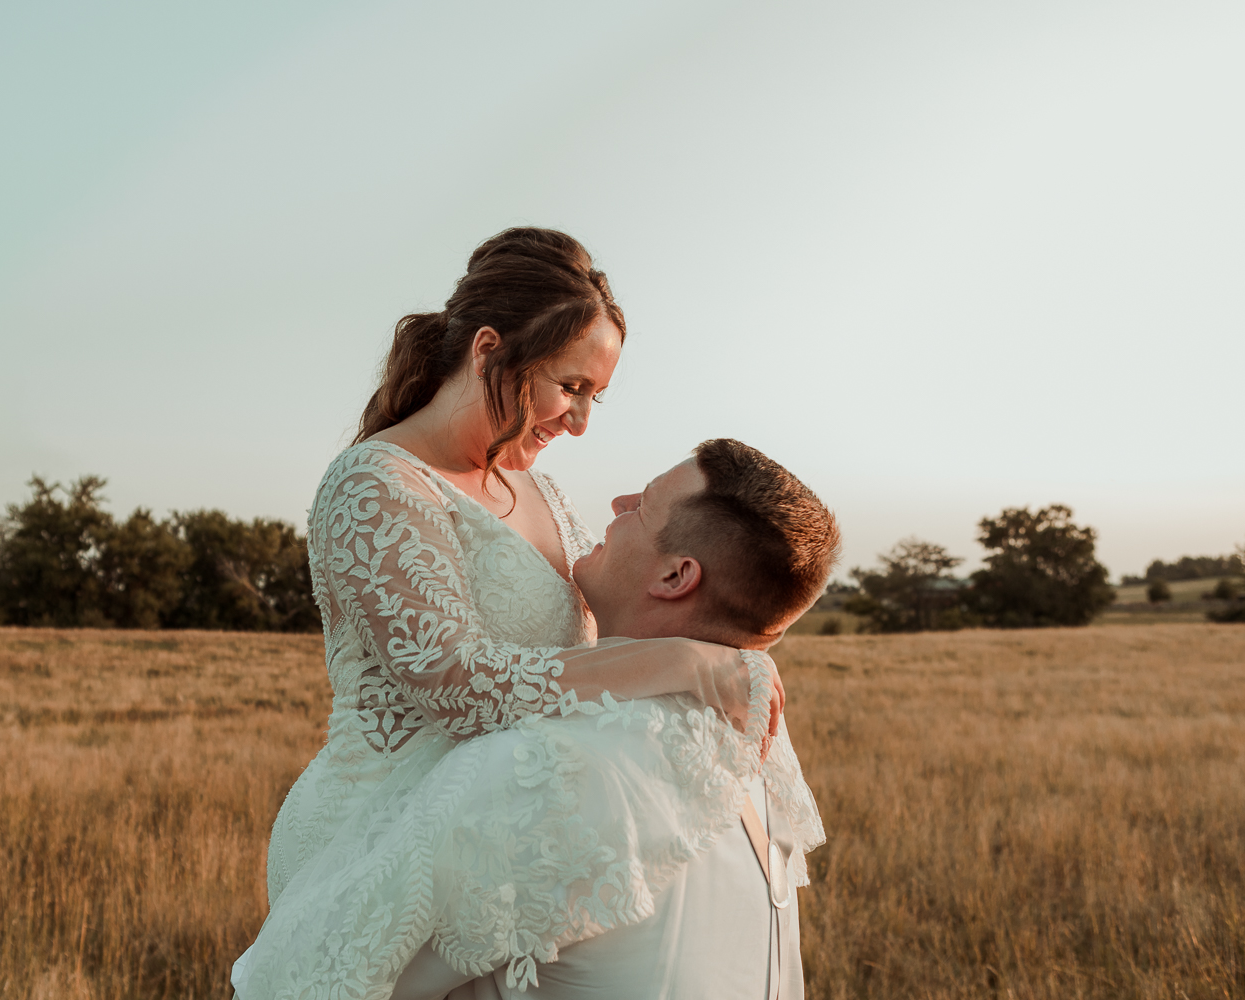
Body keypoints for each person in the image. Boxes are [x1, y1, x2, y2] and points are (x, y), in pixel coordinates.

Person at [241, 230, 781, 994]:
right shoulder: (377, 484)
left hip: (494, 835)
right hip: (375, 831)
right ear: (490, 351)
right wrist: (683, 664)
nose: (582, 420)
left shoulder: (545, 495)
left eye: (595, 395)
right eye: (572, 387)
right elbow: (458, 687)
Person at [235, 440, 837, 999]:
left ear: (675, 575)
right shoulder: (754, 749)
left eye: (643, 507)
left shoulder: (547, 768)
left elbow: (313, 975)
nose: (618, 504)